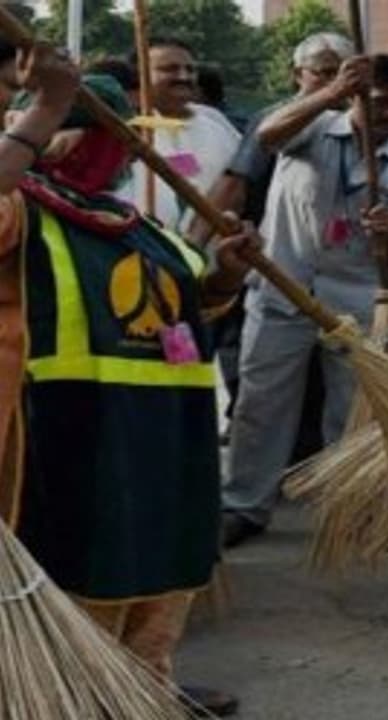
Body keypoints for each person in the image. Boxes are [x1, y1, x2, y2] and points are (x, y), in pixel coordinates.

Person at [0, 55, 258, 715]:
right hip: (60, 432)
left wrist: (226, 275)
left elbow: (189, 307)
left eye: (109, 136)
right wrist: (48, 108)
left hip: (164, 436)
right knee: (70, 576)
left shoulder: (138, 225)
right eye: (81, 130)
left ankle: (141, 689)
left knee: (157, 577)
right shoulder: (17, 211)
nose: (100, 150)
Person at [220, 54, 388, 548]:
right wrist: (329, 94)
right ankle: (244, 505)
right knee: (260, 405)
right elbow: (266, 137)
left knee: (353, 411)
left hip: (355, 302)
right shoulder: (312, 128)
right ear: (356, 95)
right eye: (383, 101)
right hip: (283, 288)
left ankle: (347, 508)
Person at [198, 33, 354, 447]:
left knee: (339, 401)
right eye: (323, 73)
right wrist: (196, 244)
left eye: (343, 73)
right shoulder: (276, 120)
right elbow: (236, 183)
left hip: (344, 282)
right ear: (297, 75)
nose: (334, 83)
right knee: (264, 395)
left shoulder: (363, 121)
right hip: (272, 267)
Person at [118, 37, 241, 230]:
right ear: (140, 76)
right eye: (169, 69)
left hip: (215, 244)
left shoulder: (216, 122)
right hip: (143, 241)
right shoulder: (126, 129)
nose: (184, 77)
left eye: (190, 70)